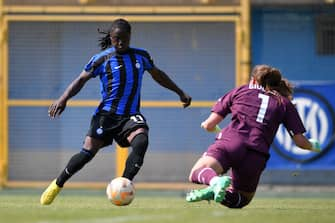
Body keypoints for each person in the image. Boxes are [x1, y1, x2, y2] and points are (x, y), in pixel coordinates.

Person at [40, 18, 192, 205]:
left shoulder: (141, 56)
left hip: (130, 116)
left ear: (130, 37)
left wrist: (180, 92)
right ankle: (57, 184)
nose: (120, 42)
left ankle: (124, 183)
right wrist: (63, 99)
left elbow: (158, 75)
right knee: (87, 152)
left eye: (124, 39)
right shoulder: (102, 59)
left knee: (142, 140)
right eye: (116, 39)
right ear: (111, 38)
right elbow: (81, 80)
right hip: (106, 116)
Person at [185, 64, 321, 208]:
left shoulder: (242, 90)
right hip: (256, 153)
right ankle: (214, 190)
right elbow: (300, 142)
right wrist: (312, 145)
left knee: (197, 172)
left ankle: (214, 182)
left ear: (254, 80)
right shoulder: (284, 103)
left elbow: (209, 125)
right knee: (241, 199)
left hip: (231, 142)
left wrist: (210, 127)